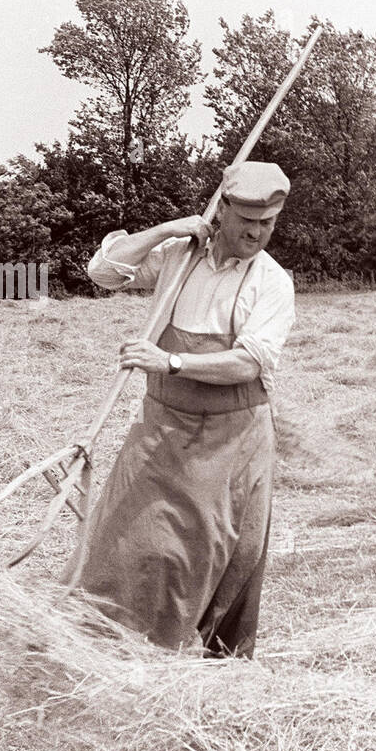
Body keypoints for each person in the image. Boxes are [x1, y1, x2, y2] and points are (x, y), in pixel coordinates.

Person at [73, 161, 295, 657]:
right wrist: (172, 227)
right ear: (222, 212)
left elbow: (248, 363)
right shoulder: (178, 259)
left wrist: (170, 360)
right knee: (126, 542)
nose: (257, 234)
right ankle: (110, 648)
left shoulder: (273, 282)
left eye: (268, 224)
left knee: (220, 555)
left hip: (231, 437)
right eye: (247, 221)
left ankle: (212, 663)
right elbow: (102, 271)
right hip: (162, 427)